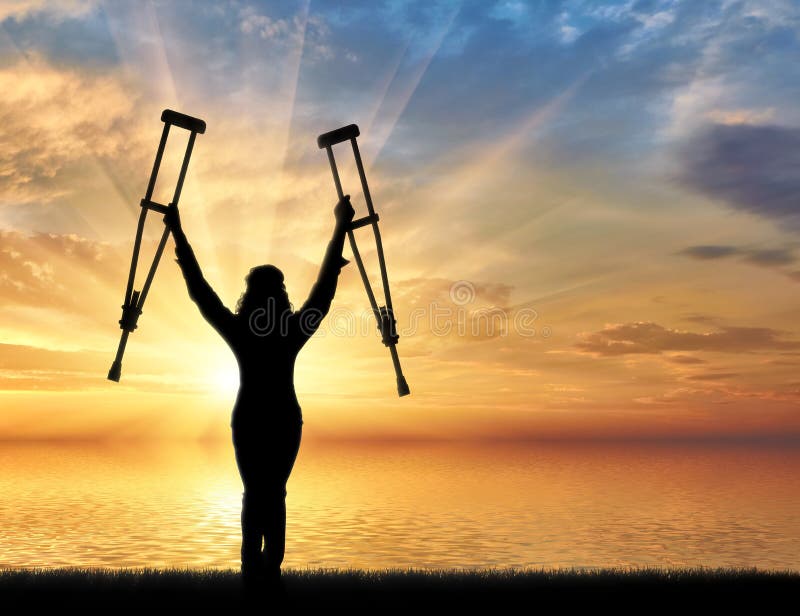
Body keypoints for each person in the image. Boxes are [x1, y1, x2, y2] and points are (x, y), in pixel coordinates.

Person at [164, 196, 354, 583]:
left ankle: (255, 572)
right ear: (280, 296)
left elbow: (201, 292)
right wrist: (339, 229)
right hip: (282, 419)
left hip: (253, 418)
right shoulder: (290, 331)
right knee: (272, 492)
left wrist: (179, 233)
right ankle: (267, 572)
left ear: (249, 295)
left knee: (256, 492)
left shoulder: (244, 331)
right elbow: (323, 290)